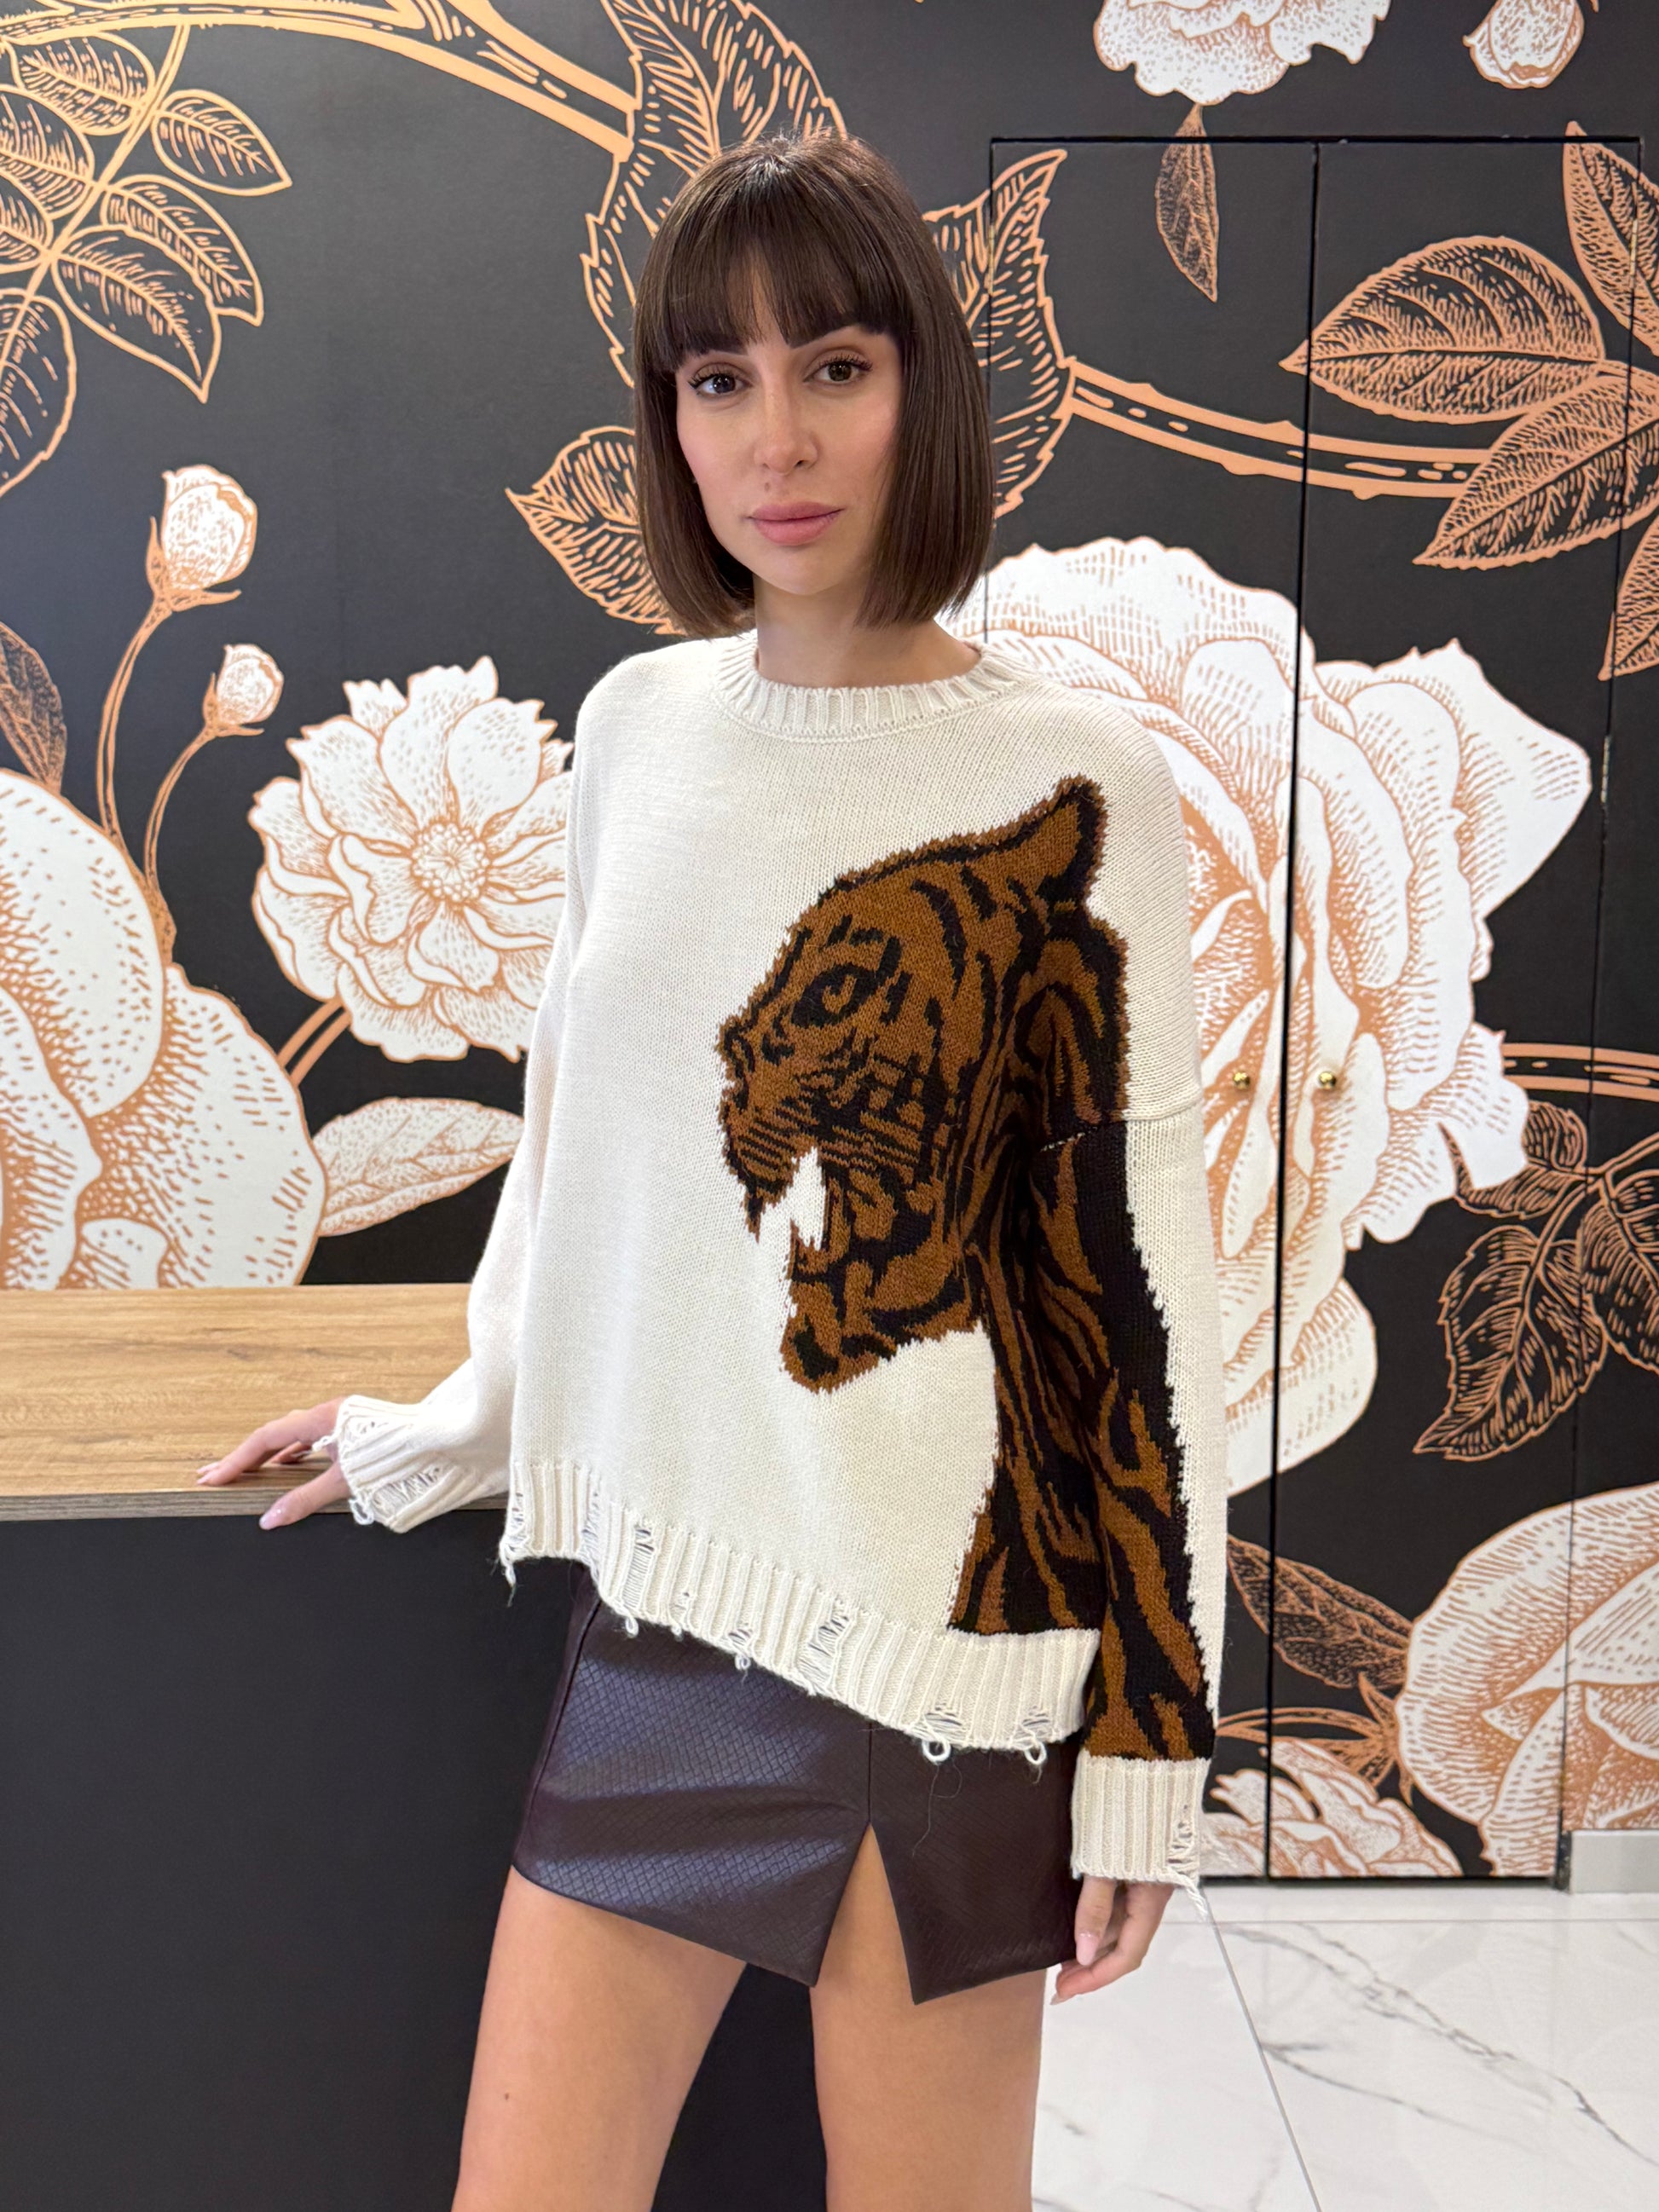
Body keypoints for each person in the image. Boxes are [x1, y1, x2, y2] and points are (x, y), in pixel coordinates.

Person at [199, 130, 1228, 2212]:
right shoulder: (640, 723)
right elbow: (581, 1135)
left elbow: (1146, 1282)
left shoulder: (1080, 783)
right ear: (668, 421)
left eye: (834, 366)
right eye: (718, 379)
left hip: (942, 1668)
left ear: (921, 386)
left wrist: (1145, 1730)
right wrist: (466, 1417)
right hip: (671, 1631)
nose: (779, 439)